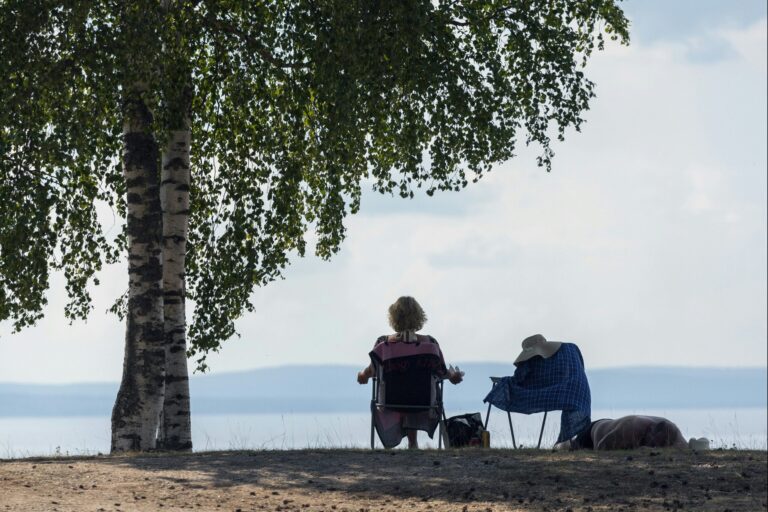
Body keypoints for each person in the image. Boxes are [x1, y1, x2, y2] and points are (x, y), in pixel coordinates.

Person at [357, 296, 463, 449]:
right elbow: (442, 372)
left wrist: (362, 376)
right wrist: (454, 377)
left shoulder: (383, 344)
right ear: (419, 316)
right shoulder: (430, 344)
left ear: (393, 318)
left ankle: (410, 441)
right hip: (424, 403)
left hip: (390, 401)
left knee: (401, 388)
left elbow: (371, 371)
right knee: (417, 388)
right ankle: (413, 442)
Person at [562, 415, 709, 450]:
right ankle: (562, 444)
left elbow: (684, 449)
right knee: (572, 446)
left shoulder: (674, 435)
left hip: (612, 424)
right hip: (594, 430)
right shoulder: (631, 429)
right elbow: (601, 447)